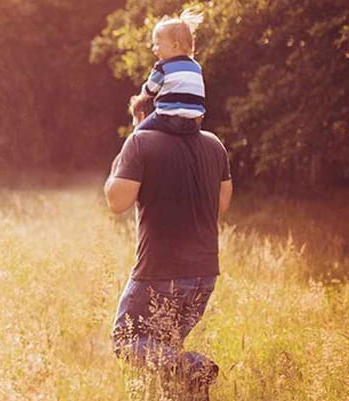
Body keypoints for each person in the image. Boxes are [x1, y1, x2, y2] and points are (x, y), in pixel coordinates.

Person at [105, 93, 233, 400]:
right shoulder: (214, 145)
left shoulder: (141, 142)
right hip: (204, 275)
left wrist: (122, 163)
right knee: (164, 351)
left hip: (159, 273)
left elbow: (116, 202)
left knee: (126, 339)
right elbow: (221, 205)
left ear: (148, 116)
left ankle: (195, 367)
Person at [135, 9, 207, 137]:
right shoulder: (197, 67)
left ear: (175, 46)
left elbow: (150, 90)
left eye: (157, 44)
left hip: (168, 120)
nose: (154, 49)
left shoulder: (162, 67)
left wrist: (141, 97)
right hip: (195, 123)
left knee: (137, 136)